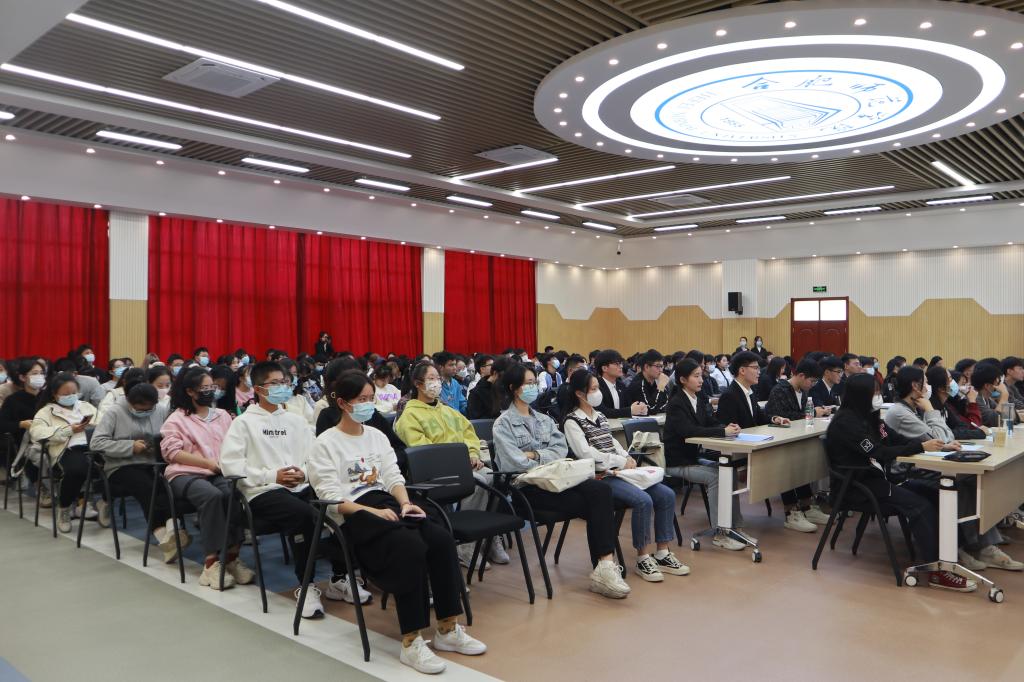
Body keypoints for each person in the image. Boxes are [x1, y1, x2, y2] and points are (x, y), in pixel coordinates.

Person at [307, 369, 485, 674]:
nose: (367, 404)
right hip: (353, 514)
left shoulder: (376, 436)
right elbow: (331, 498)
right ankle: (411, 641)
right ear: (342, 403)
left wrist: (405, 504)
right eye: (360, 399)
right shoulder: (325, 443)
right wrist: (373, 513)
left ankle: (447, 628)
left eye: (370, 398)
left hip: (387, 502)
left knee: (441, 538)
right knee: (409, 547)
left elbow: (392, 476)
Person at [220, 362, 364, 615]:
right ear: (258, 389)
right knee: (305, 516)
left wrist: (304, 473)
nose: (283, 388)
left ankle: (340, 578)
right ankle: (306, 587)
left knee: (340, 505)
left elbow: (315, 458)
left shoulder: (296, 421)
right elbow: (230, 466)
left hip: (301, 487)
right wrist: (272, 476)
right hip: (263, 491)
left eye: (285, 382)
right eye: (275, 383)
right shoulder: (243, 423)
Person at [825, 373, 976, 591]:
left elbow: (894, 439)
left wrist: (936, 445)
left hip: (877, 479)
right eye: (875, 392)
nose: (879, 396)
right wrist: (920, 447)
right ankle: (937, 572)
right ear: (861, 395)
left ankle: (952, 553)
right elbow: (879, 452)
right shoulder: (846, 423)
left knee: (935, 494)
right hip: (858, 486)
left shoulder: (870, 417)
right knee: (920, 506)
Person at [493, 367, 632, 599]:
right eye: (528, 383)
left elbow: (561, 449)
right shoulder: (503, 424)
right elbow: (513, 462)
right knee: (596, 504)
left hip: (558, 479)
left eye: (535, 382)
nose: (534, 387)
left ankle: (605, 567)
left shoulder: (544, 419)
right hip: (529, 489)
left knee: (600, 490)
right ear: (514, 388)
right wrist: (543, 456)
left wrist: (534, 454)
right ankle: (603, 570)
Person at [558, 368, 688, 582]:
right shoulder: (572, 421)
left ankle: (663, 552)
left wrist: (627, 457)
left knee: (666, 495)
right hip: (601, 476)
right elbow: (586, 454)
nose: (598, 392)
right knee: (643, 500)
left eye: (598, 388)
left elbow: (613, 443)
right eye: (593, 389)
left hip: (621, 471)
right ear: (580, 394)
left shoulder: (599, 416)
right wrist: (619, 462)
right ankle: (643, 557)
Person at [394, 363, 508, 566]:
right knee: (479, 481)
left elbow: (469, 434)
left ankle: (489, 538)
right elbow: (423, 451)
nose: (436, 383)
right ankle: (466, 547)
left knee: (496, 477)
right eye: (431, 379)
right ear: (418, 384)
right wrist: (460, 462)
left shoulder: (447, 410)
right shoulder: (409, 416)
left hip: (463, 465)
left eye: (438, 378)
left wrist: (473, 454)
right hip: (435, 472)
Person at [160, 368, 253, 590]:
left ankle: (231, 558)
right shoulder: (176, 419)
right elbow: (172, 453)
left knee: (233, 494)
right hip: (185, 473)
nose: (211, 391)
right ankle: (211, 563)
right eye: (205, 388)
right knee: (211, 496)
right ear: (190, 391)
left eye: (212, 387)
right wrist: (207, 463)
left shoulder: (222, 416)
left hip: (218, 471)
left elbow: (235, 445)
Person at [717, 351, 823, 532]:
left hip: (754, 443)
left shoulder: (749, 392)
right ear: (742, 370)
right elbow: (729, 428)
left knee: (796, 454)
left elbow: (759, 416)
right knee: (784, 458)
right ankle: (791, 512)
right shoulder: (730, 394)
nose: (759, 372)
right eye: (755, 368)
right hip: (738, 449)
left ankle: (806, 505)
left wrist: (774, 419)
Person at [91, 383, 187, 561]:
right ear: (130, 402)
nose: (146, 412)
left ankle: (173, 532)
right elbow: (96, 443)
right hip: (121, 465)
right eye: (141, 409)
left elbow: (168, 436)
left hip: (152, 462)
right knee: (147, 488)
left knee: (167, 486)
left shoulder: (160, 410)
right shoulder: (114, 412)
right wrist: (129, 446)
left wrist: (156, 446)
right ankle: (164, 537)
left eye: (150, 409)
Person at [662, 358, 751, 550]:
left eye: (701, 375)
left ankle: (735, 527)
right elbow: (688, 430)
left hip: (693, 458)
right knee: (716, 476)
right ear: (683, 380)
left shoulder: (699, 398)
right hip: (677, 462)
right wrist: (722, 432)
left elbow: (710, 421)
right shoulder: (676, 403)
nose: (701, 380)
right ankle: (721, 533)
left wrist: (727, 427)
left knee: (729, 470)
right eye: (696, 376)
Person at [30, 372, 98, 533]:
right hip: (67, 449)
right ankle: (65, 507)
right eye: (66, 394)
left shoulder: (86, 406)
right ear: (55, 394)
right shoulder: (46, 412)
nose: (71, 396)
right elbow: (37, 432)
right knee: (77, 470)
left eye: (74, 392)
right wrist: (69, 430)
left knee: (116, 467)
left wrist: (92, 427)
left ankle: (101, 503)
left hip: (94, 447)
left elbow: (104, 423)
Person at [0, 358, 49, 504]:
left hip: (51, 436)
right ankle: (41, 487)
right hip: (25, 440)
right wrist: (21, 424)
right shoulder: (13, 400)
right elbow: (2, 424)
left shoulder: (49, 396)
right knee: (33, 452)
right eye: (34, 373)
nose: (39, 376)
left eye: (41, 373)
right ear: (22, 377)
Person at [883, 366, 957, 445]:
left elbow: (949, 436)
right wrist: (930, 410)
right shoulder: (900, 413)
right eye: (926, 383)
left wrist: (946, 445)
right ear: (915, 386)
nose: (928, 388)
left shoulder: (916, 409)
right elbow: (940, 441)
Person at [926, 367, 986, 440]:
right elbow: (943, 434)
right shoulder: (930, 406)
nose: (953, 383)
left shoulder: (944, 405)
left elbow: (962, 426)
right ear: (941, 388)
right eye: (950, 379)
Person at [765, 359, 831, 421]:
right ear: (801, 375)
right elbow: (784, 416)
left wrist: (821, 411)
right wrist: (813, 413)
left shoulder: (803, 390)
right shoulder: (780, 390)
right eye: (812, 381)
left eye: (815, 382)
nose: (813, 384)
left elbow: (802, 412)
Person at [593, 350, 647, 419]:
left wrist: (640, 408)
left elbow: (629, 405)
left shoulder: (621, 385)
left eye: (621, 363)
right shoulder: (596, 386)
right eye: (617, 364)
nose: (621, 366)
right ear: (604, 368)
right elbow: (602, 412)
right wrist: (630, 410)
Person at [622, 350, 670, 415]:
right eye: (658, 366)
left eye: (662, 366)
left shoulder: (657, 381)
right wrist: (661, 386)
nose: (661, 370)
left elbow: (668, 405)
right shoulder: (638, 384)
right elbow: (651, 409)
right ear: (646, 367)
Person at [971, 362, 1017, 427]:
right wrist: (1004, 396)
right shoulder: (976, 398)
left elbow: (1010, 419)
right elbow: (995, 422)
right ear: (987, 385)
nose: (1001, 386)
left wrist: (1002, 399)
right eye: (998, 383)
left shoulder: (988, 399)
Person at [466, 356, 506, 421]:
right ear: (482, 369)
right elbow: (476, 419)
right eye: (491, 365)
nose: (494, 367)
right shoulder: (475, 391)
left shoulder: (500, 387)